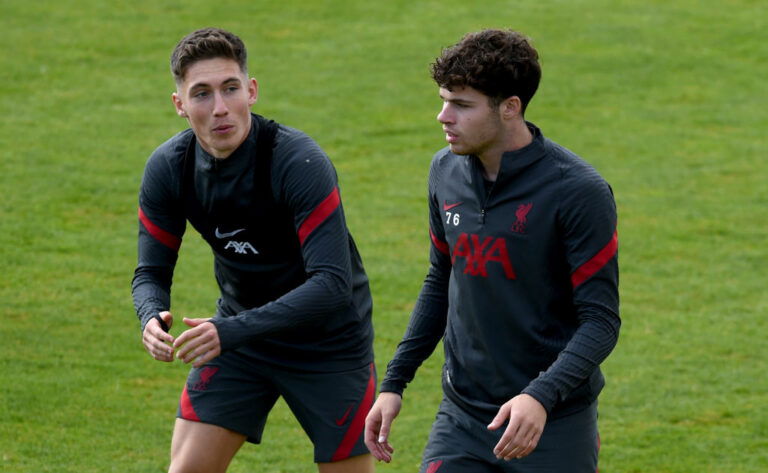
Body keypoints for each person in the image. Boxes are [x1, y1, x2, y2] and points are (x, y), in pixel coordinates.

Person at [364, 29, 620, 473]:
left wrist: (540, 396)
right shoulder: (444, 171)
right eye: (444, 99)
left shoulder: (578, 192)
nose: (443, 116)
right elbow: (442, 277)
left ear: (510, 108)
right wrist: (394, 382)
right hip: (464, 417)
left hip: (552, 421)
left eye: (462, 105)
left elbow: (600, 321)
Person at [131, 28, 375, 473]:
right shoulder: (170, 168)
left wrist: (230, 331)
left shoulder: (298, 162)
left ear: (252, 90)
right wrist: (150, 314)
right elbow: (150, 271)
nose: (220, 108)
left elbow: (332, 285)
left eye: (230, 88)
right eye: (201, 94)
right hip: (239, 341)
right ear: (179, 105)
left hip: (327, 344)